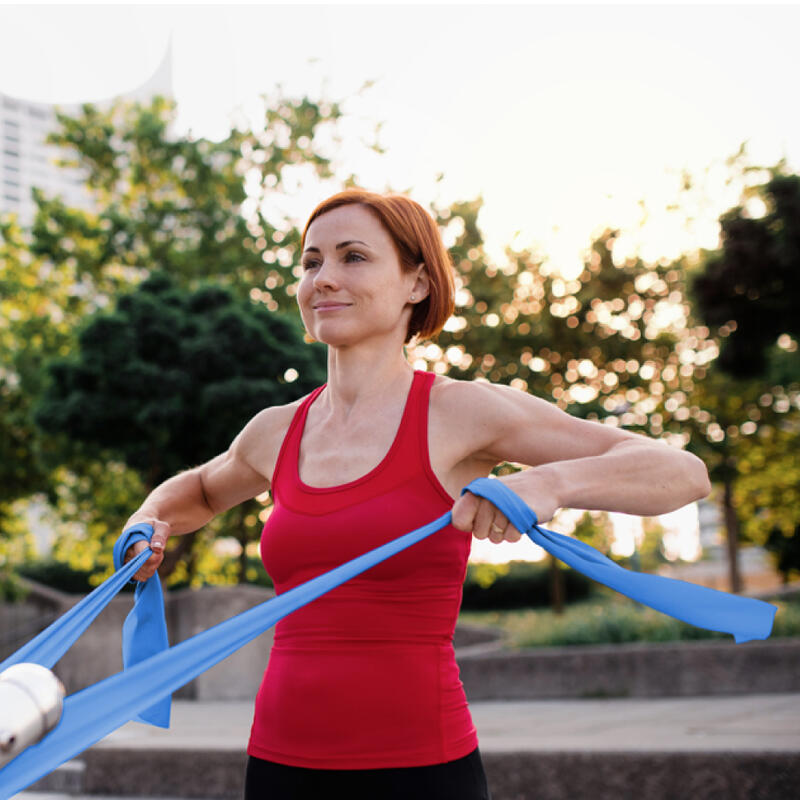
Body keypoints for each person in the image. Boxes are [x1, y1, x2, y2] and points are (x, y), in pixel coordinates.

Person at [122, 189, 711, 799]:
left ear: (417, 284)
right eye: (310, 262)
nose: (324, 279)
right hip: (279, 767)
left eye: (353, 257)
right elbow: (199, 490)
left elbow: (680, 471)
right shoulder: (275, 430)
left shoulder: (464, 411)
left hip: (422, 770)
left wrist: (546, 483)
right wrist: (148, 519)